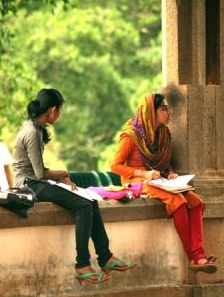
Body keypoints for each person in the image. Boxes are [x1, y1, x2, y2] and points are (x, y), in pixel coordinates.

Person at [13, 88, 136, 284]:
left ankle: (105, 257)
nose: (59, 114)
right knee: (83, 206)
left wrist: (60, 179)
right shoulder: (31, 132)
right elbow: (39, 174)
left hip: (36, 182)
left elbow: (41, 172)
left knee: (90, 201)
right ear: (53, 110)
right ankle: (82, 264)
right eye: (59, 110)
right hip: (28, 185)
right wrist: (63, 174)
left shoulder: (36, 128)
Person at [111, 93, 217, 274]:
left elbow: (163, 163)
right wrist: (142, 173)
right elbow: (115, 166)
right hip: (136, 182)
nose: (169, 112)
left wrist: (170, 173)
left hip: (158, 180)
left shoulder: (163, 134)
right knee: (178, 202)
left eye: (168, 108)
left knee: (196, 202)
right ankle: (196, 256)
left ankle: (198, 256)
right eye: (164, 109)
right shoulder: (131, 136)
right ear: (151, 112)